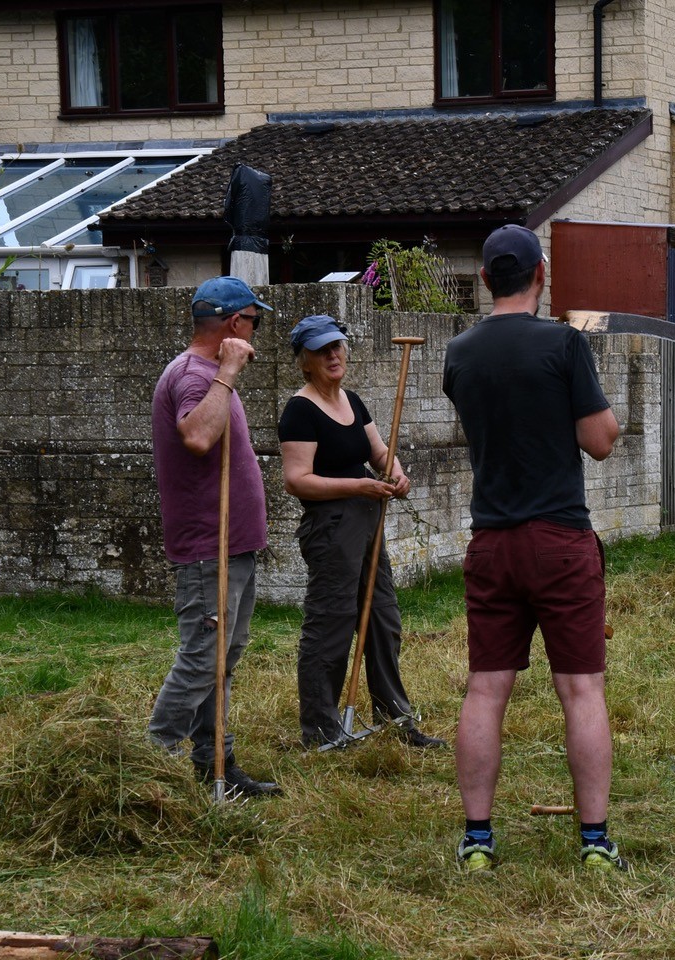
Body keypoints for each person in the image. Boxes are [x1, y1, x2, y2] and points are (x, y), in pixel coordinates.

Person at [442, 225, 625, 872]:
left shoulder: (459, 354)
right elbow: (600, 440)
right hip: (559, 539)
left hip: (492, 540)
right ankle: (596, 842)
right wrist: (607, 411)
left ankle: (478, 840)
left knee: (486, 690)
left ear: (487, 278)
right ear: (540, 275)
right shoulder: (564, 344)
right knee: (581, 691)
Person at [277, 314, 446, 751]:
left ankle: (396, 720)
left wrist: (395, 473)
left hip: (368, 522)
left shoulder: (352, 401)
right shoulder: (300, 409)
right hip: (331, 527)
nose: (333, 355)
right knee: (331, 624)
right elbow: (297, 480)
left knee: (383, 621)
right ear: (305, 362)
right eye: (321, 350)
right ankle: (321, 730)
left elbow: (379, 452)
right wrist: (361, 485)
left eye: (337, 346)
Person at [149, 276, 282, 799]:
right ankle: (149, 765)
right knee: (203, 658)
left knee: (222, 658)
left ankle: (214, 764)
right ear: (234, 323)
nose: (256, 331)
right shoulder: (194, 375)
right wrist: (227, 371)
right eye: (255, 321)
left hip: (233, 544)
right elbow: (198, 436)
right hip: (210, 546)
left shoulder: (206, 376)